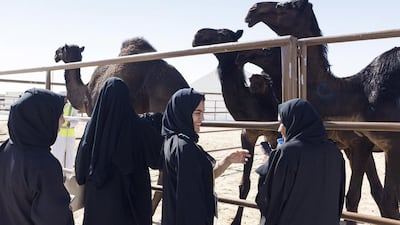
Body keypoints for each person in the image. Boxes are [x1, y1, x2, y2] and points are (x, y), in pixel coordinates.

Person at [74, 77, 163, 225]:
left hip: (99, 206)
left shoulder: (93, 128)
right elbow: (156, 159)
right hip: (131, 207)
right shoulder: (139, 127)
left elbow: (80, 172)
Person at [161, 87, 251, 225]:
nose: (202, 119)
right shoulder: (185, 148)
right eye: (197, 113)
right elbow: (192, 202)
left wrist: (227, 160)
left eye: (202, 113)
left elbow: (200, 177)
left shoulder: (172, 141)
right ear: (183, 112)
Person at [256, 98, 345, 225]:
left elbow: (268, 198)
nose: (279, 129)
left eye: (283, 122)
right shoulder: (335, 152)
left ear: (294, 122)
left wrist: (268, 165)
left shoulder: (287, 153)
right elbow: (338, 199)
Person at [0, 88, 74, 225]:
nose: (63, 121)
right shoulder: (44, 166)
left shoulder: (5, 150)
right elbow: (54, 219)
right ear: (42, 117)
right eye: (59, 115)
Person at [51, 96, 79, 178]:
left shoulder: (74, 105)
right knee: (58, 156)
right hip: (60, 135)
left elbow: (76, 119)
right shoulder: (58, 104)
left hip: (70, 135)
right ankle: (57, 176)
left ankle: (68, 178)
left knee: (69, 158)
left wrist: (70, 124)